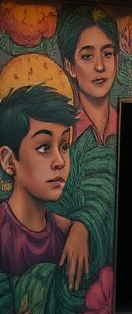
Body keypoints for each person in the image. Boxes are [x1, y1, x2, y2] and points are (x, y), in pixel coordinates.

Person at [0, 85, 90, 291]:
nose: (59, 162)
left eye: (65, 146)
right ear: (9, 160)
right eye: (44, 147)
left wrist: (81, 228)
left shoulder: (68, 231)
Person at [56, 4, 120, 145]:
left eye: (107, 54)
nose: (99, 66)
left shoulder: (125, 124)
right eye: (87, 56)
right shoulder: (63, 132)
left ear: (117, 61)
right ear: (70, 66)